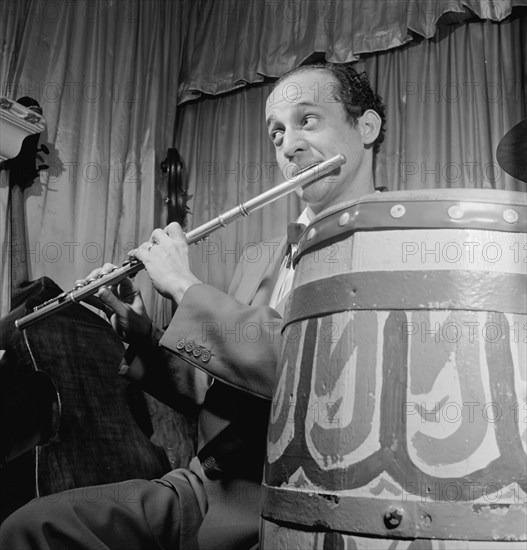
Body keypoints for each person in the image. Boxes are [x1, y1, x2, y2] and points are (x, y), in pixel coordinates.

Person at [0, 62, 385, 550]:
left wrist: (184, 285)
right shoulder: (259, 258)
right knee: (35, 526)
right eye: (276, 133)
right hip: (207, 485)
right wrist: (140, 331)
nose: (289, 146)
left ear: (365, 127)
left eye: (308, 121)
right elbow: (216, 390)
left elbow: (319, 379)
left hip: (301, 498)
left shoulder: (392, 244)